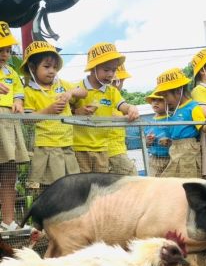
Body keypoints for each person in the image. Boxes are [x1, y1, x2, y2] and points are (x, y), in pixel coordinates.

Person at [21, 40, 86, 196]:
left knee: (71, 186)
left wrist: (70, 93)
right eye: (46, 66)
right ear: (32, 67)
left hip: (67, 145)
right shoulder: (29, 92)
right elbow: (26, 119)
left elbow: (84, 92)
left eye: (55, 67)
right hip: (46, 147)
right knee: (49, 189)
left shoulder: (62, 84)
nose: (52, 71)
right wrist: (49, 111)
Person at [69, 42, 140, 173]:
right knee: (83, 186)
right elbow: (65, 111)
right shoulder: (77, 88)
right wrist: (76, 112)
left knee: (101, 186)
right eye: (106, 69)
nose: (111, 74)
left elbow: (123, 106)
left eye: (113, 70)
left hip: (102, 148)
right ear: (93, 68)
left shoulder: (112, 92)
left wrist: (131, 108)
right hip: (79, 148)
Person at [154, 67, 206, 178]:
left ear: (178, 91)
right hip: (174, 150)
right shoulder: (173, 111)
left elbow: (203, 128)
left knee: (189, 181)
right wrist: (170, 140)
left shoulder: (193, 108)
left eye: (166, 96)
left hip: (189, 151)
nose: (165, 100)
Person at [0, 22, 29, 230]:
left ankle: (8, 221)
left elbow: (19, 91)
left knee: (10, 176)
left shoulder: (11, 72)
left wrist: (18, 102)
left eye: (8, 50)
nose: (4, 54)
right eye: (0, 49)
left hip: (9, 125)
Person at [107, 66, 137, 176]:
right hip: (113, 151)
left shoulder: (118, 101)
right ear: (116, 81)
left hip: (118, 149)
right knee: (132, 178)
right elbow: (104, 116)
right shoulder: (107, 97)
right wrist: (125, 119)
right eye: (122, 81)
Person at [143, 92, 170, 177]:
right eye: (153, 100)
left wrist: (169, 142)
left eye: (160, 100)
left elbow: (177, 140)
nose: (156, 102)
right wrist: (148, 141)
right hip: (154, 159)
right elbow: (146, 145)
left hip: (171, 158)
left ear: (168, 102)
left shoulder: (172, 119)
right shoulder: (148, 123)